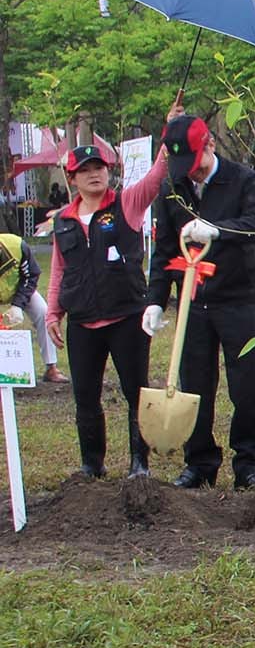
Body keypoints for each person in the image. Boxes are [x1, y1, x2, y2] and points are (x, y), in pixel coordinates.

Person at [147, 114, 255, 491]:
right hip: (194, 302)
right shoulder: (172, 186)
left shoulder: (244, 180)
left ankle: (249, 463)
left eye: (196, 163)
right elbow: (164, 249)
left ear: (211, 145)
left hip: (239, 298)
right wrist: (155, 300)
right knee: (194, 384)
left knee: (245, 385)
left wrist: (218, 231)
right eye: (183, 166)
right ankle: (200, 462)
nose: (193, 174)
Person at [45, 139, 171, 478]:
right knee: (85, 396)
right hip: (82, 321)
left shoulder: (126, 203)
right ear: (72, 178)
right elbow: (60, 268)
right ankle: (92, 463)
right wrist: (53, 312)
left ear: (108, 170)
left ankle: (139, 463)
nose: (93, 175)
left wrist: (169, 133)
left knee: (136, 391)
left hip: (127, 316)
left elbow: (156, 177)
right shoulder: (64, 221)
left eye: (98, 168)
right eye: (83, 171)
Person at [1, 230, 65, 384]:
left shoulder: (17, 246)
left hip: (18, 288)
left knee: (43, 313)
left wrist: (18, 304)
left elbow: (31, 275)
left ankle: (51, 368)